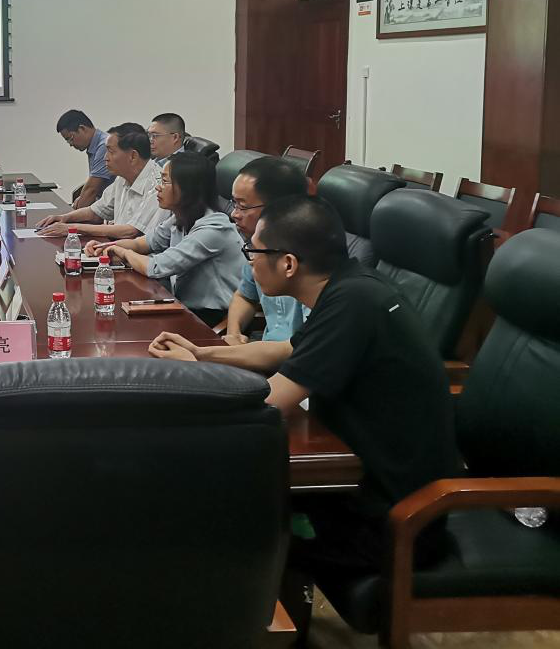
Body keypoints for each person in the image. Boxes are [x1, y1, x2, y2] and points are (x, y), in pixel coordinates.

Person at [147, 196, 458, 636]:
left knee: (216, 519)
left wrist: (195, 374)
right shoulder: (353, 286)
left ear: (288, 263)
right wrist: (203, 353)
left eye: (253, 251)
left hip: (394, 519)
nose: (249, 260)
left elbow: (266, 404)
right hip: (364, 487)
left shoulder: (354, 303)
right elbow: (287, 350)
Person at [101, 152, 244, 326]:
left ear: (187, 188)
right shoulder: (181, 218)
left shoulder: (213, 229)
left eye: (165, 181)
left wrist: (123, 252)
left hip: (214, 320)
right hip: (184, 308)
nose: (158, 188)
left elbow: (156, 267)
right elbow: (142, 243)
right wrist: (106, 247)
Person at [220, 157, 311, 345]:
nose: (234, 214)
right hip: (260, 351)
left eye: (243, 206)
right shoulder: (257, 247)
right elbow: (244, 296)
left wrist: (239, 353)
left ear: (279, 208)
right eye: (234, 204)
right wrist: (234, 333)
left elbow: (303, 347)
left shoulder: (311, 262)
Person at [36, 124, 163, 241]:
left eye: (111, 152)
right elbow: (96, 211)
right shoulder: (122, 178)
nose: (105, 158)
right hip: (118, 247)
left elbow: (130, 231)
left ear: (133, 156)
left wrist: (72, 228)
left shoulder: (158, 185)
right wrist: (65, 218)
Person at [55, 109, 115, 208]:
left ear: (82, 128)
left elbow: (92, 190)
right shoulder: (95, 145)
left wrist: (74, 214)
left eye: (70, 138)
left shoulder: (104, 146)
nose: (70, 144)